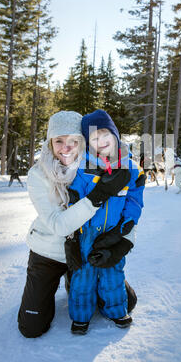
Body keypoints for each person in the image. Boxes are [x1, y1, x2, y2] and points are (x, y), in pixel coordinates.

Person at [17, 110, 133, 338]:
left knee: (127, 303)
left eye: (74, 141)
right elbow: (59, 226)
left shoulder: (98, 167)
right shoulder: (38, 174)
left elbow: (127, 209)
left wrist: (125, 242)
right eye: (59, 140)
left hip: (86, 250)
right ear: (50, 143)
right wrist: (97, 197)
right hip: (48, 253)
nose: (66, 147)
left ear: (83, 142)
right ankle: (61, 283)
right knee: (31, 327)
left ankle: (75, 280)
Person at [66, 109, 145, 335]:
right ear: (88, 143)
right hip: (88, 230)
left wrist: (129, 221)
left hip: (114, 229)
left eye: (105, 134)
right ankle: (81, 315)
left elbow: (135, 199)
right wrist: (73, 206)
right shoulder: (84, 168)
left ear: (115, 135)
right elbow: (75, 194)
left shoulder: (131, 168)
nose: (101, 141)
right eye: (94, 137)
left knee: (113, 271)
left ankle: (117, 310)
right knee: (84, 274)